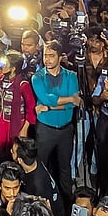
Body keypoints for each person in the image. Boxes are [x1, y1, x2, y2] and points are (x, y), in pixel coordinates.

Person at [32, 41, 80, 204]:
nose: (47, 59)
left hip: (66, 130)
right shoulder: (37, 77)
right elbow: (46, 98)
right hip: (45, 129)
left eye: (51, 56)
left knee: (64, 168)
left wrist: (50, 107)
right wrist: (66, 101)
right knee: (42, 166)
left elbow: (75, 103)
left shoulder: (71, 76)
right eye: (46, 55)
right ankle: (40, 200)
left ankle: (67, 203)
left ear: (60, 57)